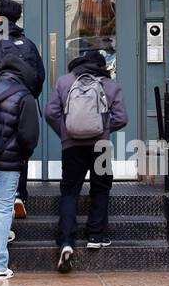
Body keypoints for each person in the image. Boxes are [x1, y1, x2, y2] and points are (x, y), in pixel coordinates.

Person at [46, 50, 126, 273]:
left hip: (71, 146)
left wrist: (65, 132)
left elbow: (50, 112)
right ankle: (95, 235)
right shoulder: (111, 86)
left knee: (69, 192)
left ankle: (66, 241)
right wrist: (104, 129)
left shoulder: (65, 81)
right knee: (100, 189)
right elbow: (122, 118)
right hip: (101, 146)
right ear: (102, 67)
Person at [0, 0, 45, 219]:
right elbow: (39, 75)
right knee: (20, 148)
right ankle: (18, 194)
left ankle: (4, 201)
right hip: (23, 100)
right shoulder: (28, 43)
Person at [0, 44, 41, 281]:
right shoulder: (24, 96)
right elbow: (29, 136)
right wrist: (22, 157)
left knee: (1, 207)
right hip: (7, 162)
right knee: (4, 209)